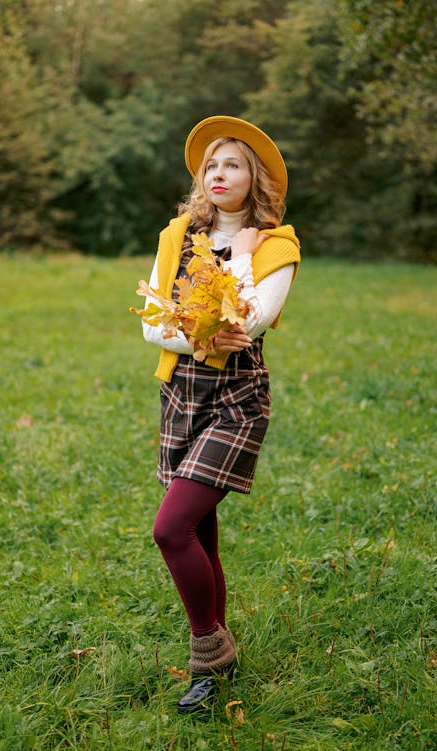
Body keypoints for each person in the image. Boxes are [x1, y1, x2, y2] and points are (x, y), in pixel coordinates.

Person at [140, 116, 301, 713]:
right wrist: (201, 337)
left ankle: (209, 651)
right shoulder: (175, 236)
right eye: (211, 165)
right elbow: (151, 324)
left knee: (169, 528)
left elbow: (246, 322)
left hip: (237, 400)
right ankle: (218, 670)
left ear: (252, 177)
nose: (218, 174)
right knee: (199, 533)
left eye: (232, 164)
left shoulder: (277, 245)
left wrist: (240, 256)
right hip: (181, 393)